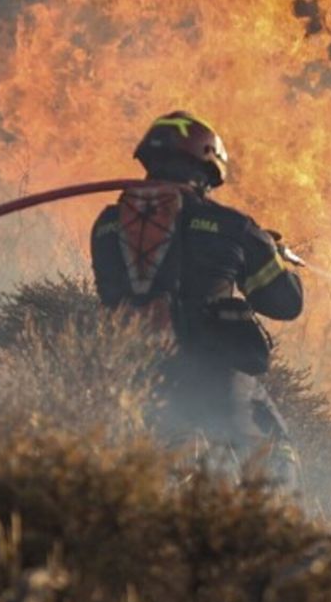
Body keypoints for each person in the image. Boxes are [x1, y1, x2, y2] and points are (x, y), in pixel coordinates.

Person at [90, 111, 304, 485]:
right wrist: (270, 251)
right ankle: (262, 535)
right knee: (274, 458)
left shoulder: (107, 225)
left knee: (151, 474)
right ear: (207, 167)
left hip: (131, 378)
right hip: (214, 377)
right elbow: (285, 303)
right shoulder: (232, 226)